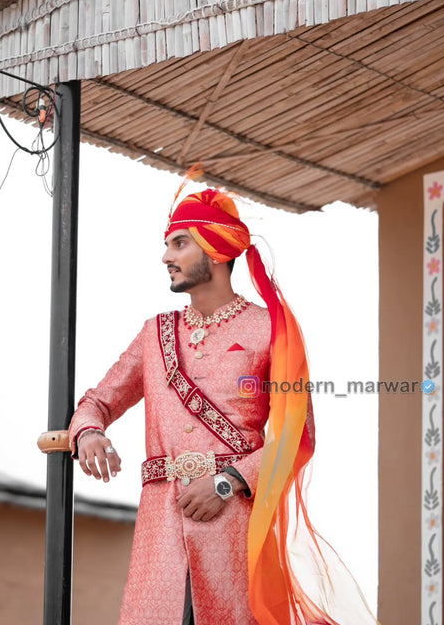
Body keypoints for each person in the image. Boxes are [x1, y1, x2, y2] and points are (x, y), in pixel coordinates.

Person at [69, 185, 379, 625]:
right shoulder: (155, 334)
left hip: (232, 528)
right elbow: (97, 401)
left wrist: (226, 482)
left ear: (215, 250)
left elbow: (297, 436)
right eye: (167, 245)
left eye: (180, 243)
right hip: (160, 531)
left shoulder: (270, 330)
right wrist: (89, 431)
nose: (166, 257)